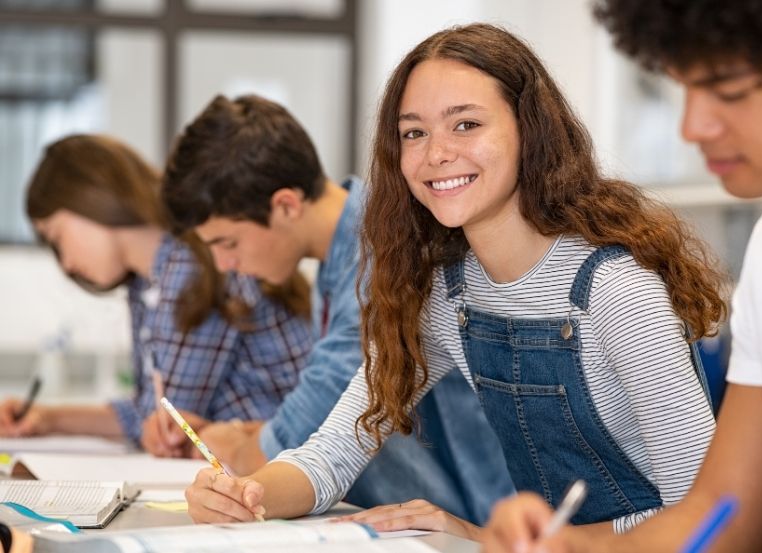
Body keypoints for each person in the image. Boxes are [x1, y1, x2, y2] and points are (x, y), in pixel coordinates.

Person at [183, 23, 725, 541]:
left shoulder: (615, 290)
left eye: (466, 124)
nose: (436, 153)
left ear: (529, 130)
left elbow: (706, 513)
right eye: (414, 133)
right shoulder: (445, 293)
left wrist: (488, 536)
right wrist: (246, 494)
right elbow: (333, 452)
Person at [481, 2, 762, 552]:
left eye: (730, 89)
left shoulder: (612, 284)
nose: (693, 126)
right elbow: (723, 517)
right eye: (684, 88)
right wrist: (571, 547)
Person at [160, 94, 515, 528]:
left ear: (287, 205)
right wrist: (240, 439)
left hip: (468, 518)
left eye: (227, 243)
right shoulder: (339, 255)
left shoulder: (381, 256)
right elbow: (333, 434)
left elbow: (293, 435)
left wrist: (233, 443)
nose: (224, 266)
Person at [0, 134, 312, 450]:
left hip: (292, 462)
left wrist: (56, 420)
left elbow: (166, 425)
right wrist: (46, 419)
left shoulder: (193, 267)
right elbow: (152, 411)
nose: (65, 264)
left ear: (90, 198)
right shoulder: (149, 282)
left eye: (57, 237)